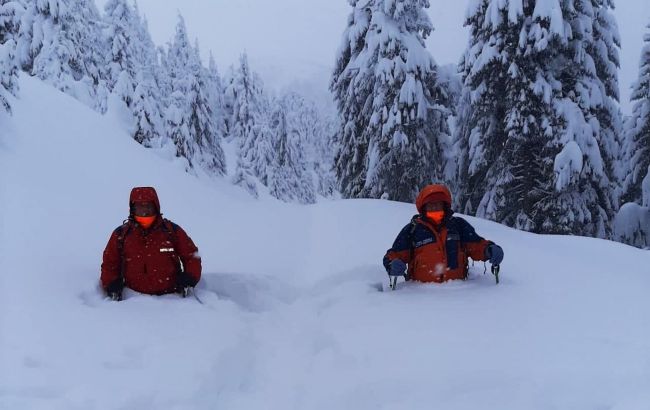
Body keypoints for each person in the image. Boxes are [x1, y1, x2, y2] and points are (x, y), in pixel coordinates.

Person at [383, 184, 504, 283]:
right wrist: (392, 264)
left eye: (438, 204)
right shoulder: (412, 230)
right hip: (420, 297)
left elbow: (476, 245)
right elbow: (393, 254)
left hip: (460, 295)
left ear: (445, 206)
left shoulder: (458, 226)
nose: (435, 208)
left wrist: (489, 249)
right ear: (423, 208)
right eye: (431, 205)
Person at [101, 187, 201, 300]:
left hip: (172, 299)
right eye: (139, 207)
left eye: (148, 206)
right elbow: (110, 263)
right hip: (132, 300)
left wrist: (190, 277)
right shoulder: (121, 234)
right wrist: (111, 283)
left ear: (156, 207)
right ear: (132, 209)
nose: (144, 212)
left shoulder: (171, 231)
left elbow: (191, 255)